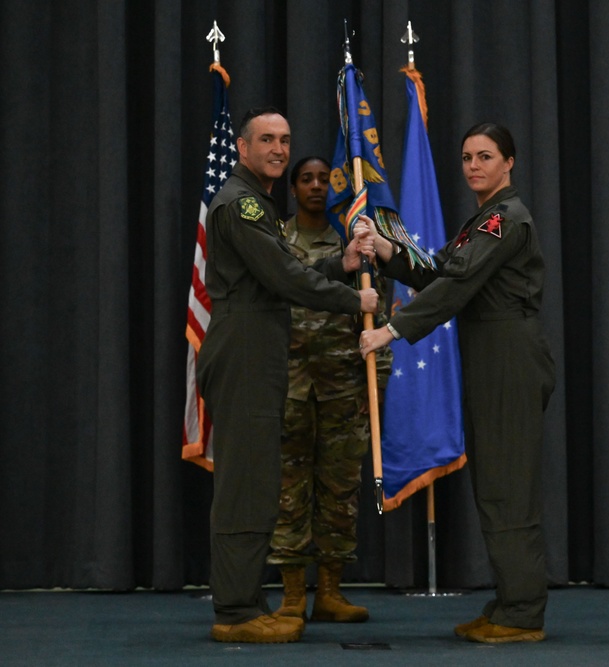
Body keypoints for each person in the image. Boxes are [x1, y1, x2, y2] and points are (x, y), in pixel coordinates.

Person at [358, 122, 556, 644]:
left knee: (508, 486)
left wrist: (393, 330)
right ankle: (511, 599)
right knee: (495, 483)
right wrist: (383, 247)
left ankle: (523, 612)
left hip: (509, 355)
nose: (473, 165)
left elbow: (457, 284)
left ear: (508, 162)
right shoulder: (484, 218)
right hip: (492, 354)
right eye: (467, 156)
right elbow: (437, 268)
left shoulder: (504, 219)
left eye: (485, 156)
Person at [196, 108, 378, 644]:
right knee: (244, 486)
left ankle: (248, 599)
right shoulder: (242, 203)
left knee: (255, 482)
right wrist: (354, 298)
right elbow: (284, 276)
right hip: (246, 349)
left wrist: (339, 265)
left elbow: (281, 273)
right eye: (267, 140)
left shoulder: (255, 202)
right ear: (242, 146)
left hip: (256, 346)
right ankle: (234, 611)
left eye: (285, 140)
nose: (278, 149)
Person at [267, 156, 391, 624]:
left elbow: (380, 320)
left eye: (323, 179)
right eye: (306, 180)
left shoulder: (355, 244)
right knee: (289, 493)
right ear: (293, 188)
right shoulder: (276, 240)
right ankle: (294, 594)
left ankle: (332, 592)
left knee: (340, 493)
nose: (316, 186)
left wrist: (374, 388)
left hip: (343, 389)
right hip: (291, 388)